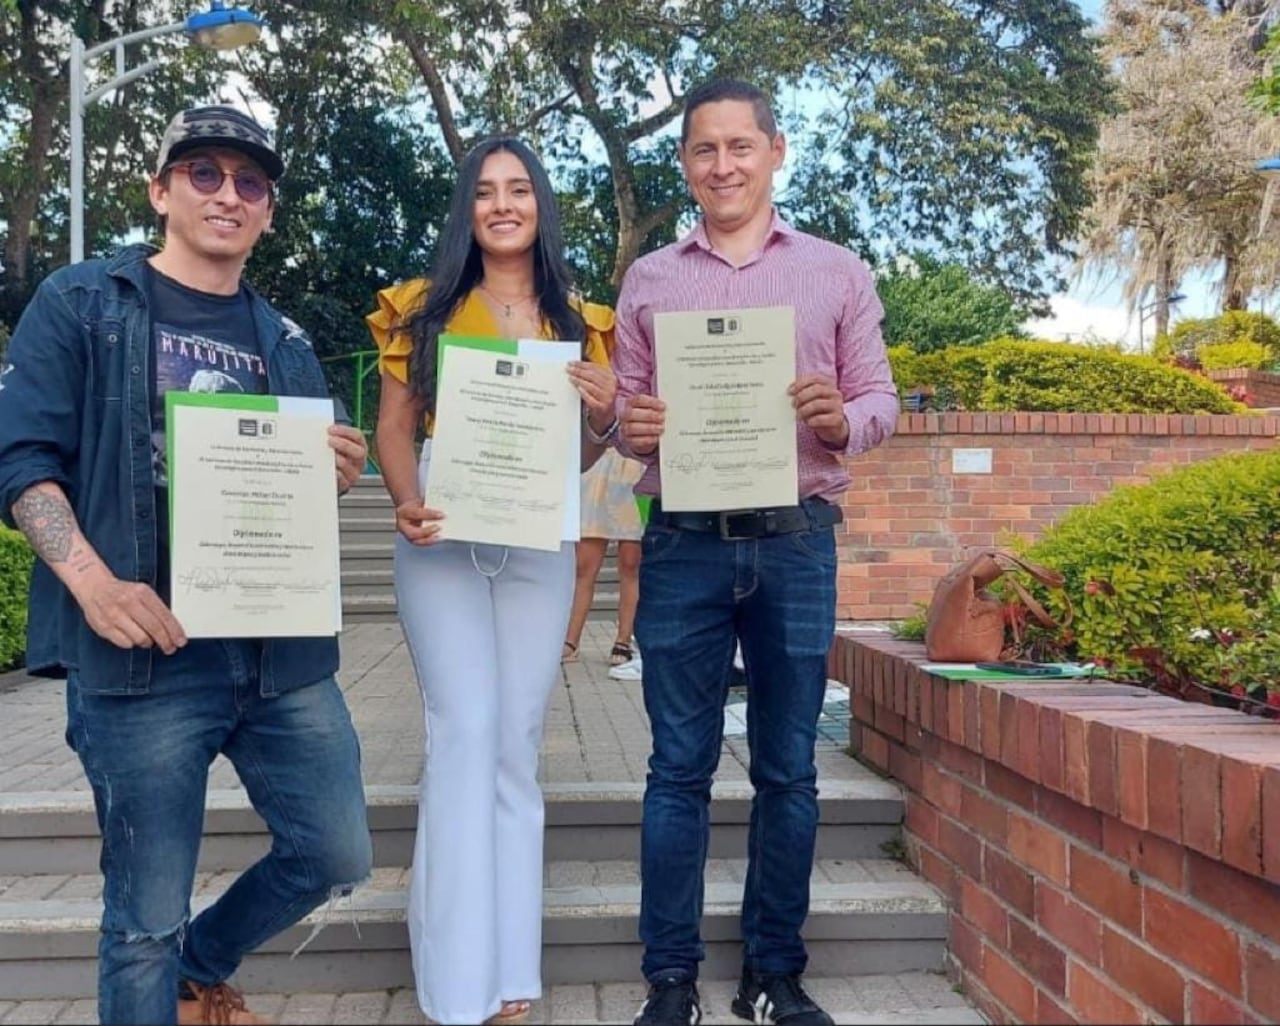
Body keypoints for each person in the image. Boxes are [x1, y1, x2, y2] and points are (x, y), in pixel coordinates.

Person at [0, 106, 373, 1026]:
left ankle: (200, 965)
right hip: (141, 663)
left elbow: (281, 505)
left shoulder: (286, 343)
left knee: (336, 853)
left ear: (268, 211)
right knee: (141, 920)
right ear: (160, 190)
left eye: (249, 182)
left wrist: (331, 474)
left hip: (275, 660)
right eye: (203, 172)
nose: (227, 194)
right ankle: (172, 966)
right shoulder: (83, 302)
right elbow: (19, 458)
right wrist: (91, 582)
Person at [612, 79, 900, 1026]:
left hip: (797, 541)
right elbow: (622, 413)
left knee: (789, 770)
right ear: (686, 164)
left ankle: (774, 975)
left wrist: (841, 419)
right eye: (704, 150)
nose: (723, 165)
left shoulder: (836, 271)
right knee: (675, 772)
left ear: (776, 151)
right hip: (686, 545)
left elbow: (882, 403)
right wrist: (633, 424)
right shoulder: (651, 278)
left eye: (741, 145)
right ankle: (670, 983)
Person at [366, 136, 618, 1026]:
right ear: (465, 209)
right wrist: (406, 500)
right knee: (464, 732)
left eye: (519, 189)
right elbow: (394, 428)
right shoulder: (421, 306)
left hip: (537, 538)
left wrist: (601, 417)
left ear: (542, 204)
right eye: (484, 192)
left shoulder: (584, 319)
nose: (502, 204)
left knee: (515, 740)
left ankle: (512, 970)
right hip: (442, 528)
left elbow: (584, 454)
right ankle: (453, 979)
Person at [561, 448, 645, 672]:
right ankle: (571, 640)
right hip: (597, 461)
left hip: (636, 462)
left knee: (630, 563)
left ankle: (623, 639)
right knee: (583, 565)